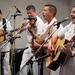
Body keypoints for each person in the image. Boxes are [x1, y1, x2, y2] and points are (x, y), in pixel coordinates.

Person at [31, 4, 63, 75]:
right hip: (45, 56)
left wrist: (39, 46)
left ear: (51, 13)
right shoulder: (45, 25)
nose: (42, 12)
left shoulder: (57, 26)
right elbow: (41, 40)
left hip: (53, 57)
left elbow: (55, 45)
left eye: (45, 10)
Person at [48, 6, 75, 75]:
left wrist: (72, 53)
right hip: (64, 63)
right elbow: (56, 35)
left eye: (74, 12)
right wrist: (50, 44)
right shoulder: (71, 24)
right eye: (71, 12)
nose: (71, 14)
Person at [19, 5, 44, 75]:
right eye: (28, 13)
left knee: (35, 66)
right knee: (22, 66)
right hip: (28, 45)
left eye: (30, 13)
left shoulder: (39, 22)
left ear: (34, 11)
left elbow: (38, 38)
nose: (29, 15)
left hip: (35, 45)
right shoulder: (28, 20)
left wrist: (31, 31)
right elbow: (19, 31)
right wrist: (22, 25)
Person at [0, 9, 12, 75]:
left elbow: (11, 33)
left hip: (5, 45)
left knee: (6, 64)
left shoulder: (6, 21)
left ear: (1, 14)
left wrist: (9, 33)